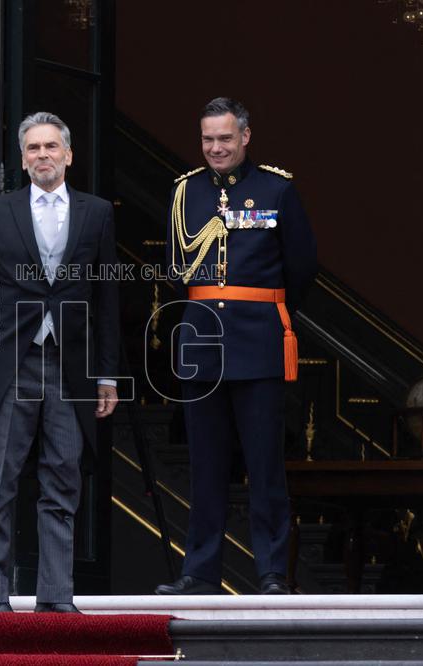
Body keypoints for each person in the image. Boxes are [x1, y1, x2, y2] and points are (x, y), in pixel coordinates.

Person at [0, 112, 120, 613]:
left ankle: (56, 600)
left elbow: (107, 299)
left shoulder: (96, 213)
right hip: (13, 367)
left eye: (51, 146)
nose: (42, 155)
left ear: (68, 155)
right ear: (23, 158)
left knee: (61, 484)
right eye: (33, 148)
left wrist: (108, 374)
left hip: (71, 370)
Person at [155, 97, 317, 596]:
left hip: (258, 343)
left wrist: (265, 311)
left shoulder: (277, 189)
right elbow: (175, 265)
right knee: (206, 467)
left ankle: (270, 572)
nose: (216, 147)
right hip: (202, 346)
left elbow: (302, 267)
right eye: (208, 139)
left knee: (264, 467)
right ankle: (199, 573)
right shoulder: (185, 191)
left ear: (245, 137)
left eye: (225, 138)